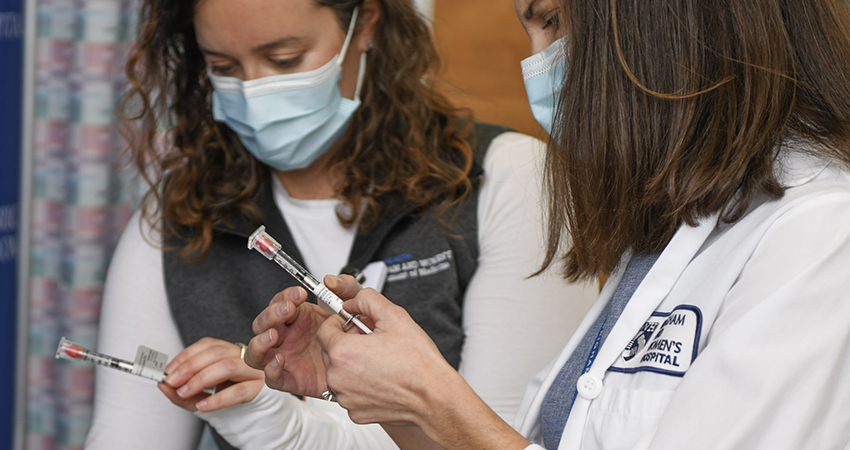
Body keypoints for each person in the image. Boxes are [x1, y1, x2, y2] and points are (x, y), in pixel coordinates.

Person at [248, 0, 850, 448]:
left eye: (554, 22)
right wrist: (398, 401)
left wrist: (432, 396)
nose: (534, 64)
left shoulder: (820, 233)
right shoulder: (680, 234)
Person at [84, 0, 598, 448]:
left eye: (284, 59)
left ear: (366, 23)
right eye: (224, 66)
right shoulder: (178, 224)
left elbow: (496, 441)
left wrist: (283, 425)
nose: (254, 92)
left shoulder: (508, 179)